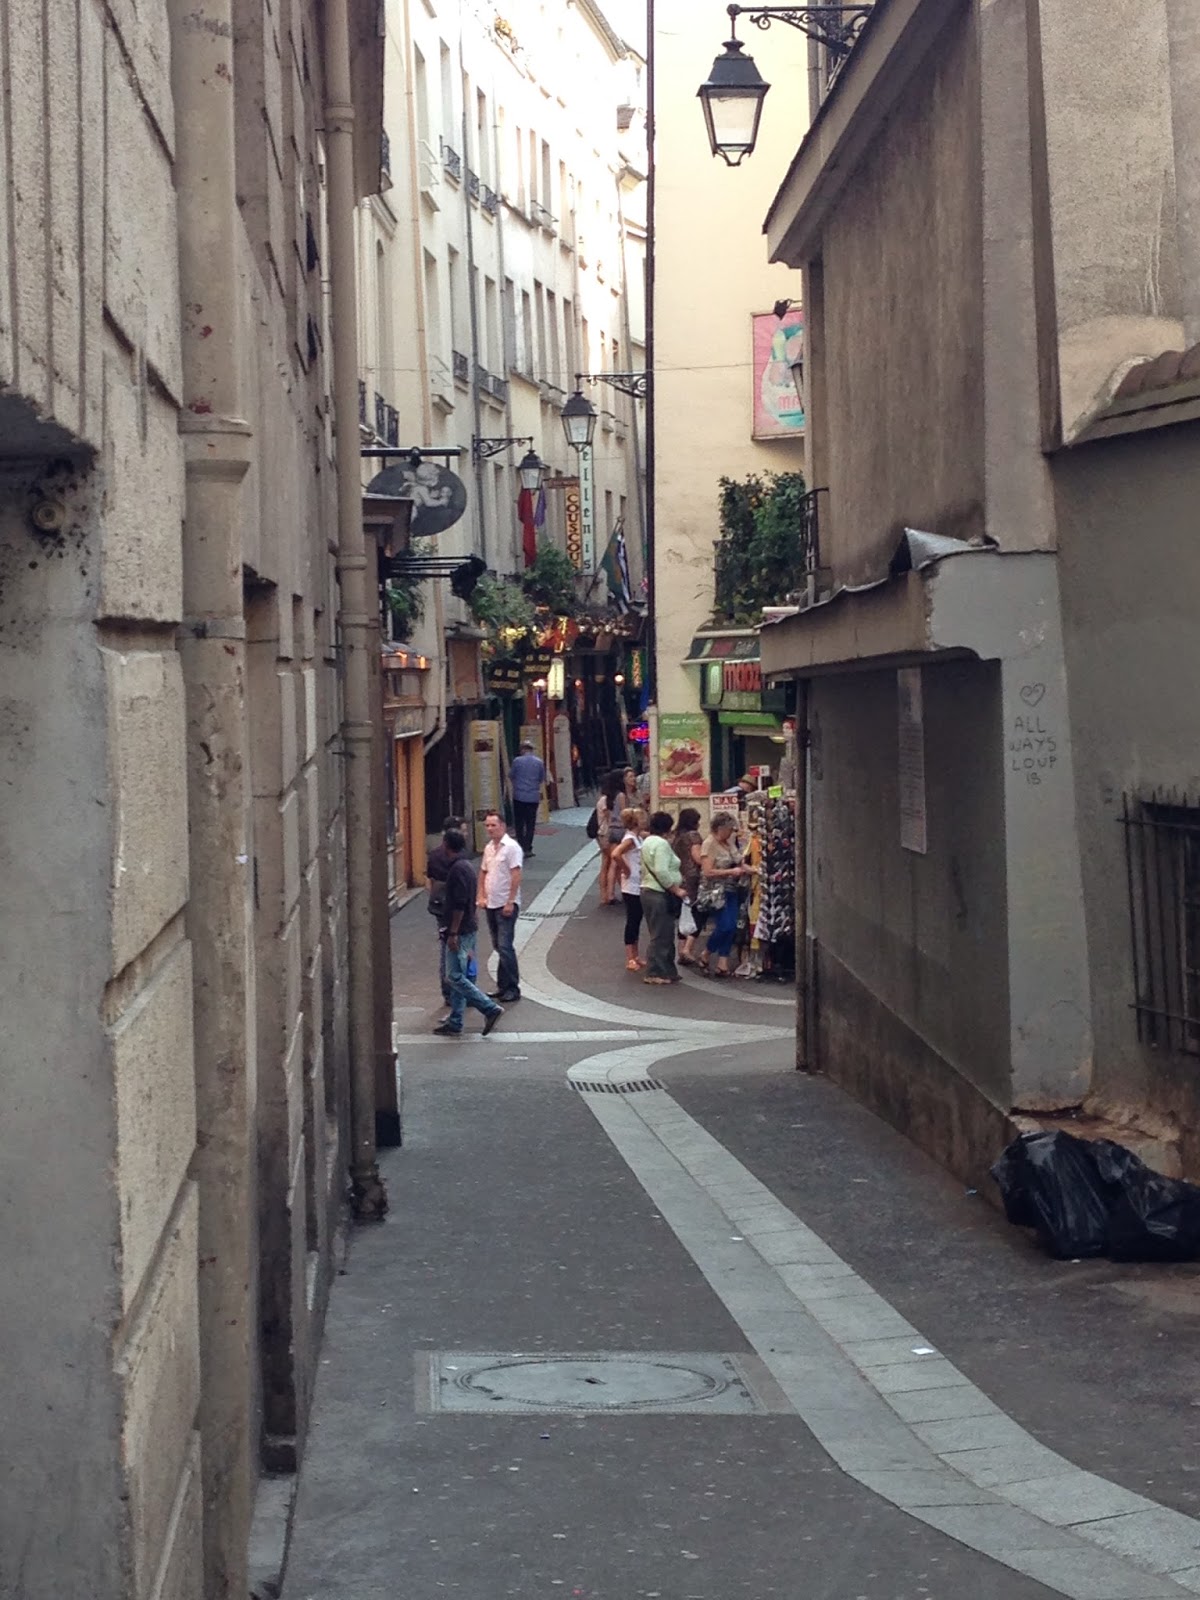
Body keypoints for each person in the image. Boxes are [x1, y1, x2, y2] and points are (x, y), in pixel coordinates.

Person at [433, 830, 504, 1037]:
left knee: (454, 976)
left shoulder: (457, 870)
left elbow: (459, 903)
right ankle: (456, 1021)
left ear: (446, 845)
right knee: (459, 974)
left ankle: (488, 1007)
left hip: (460, 930)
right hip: (467, 927)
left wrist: (453, 933)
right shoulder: (466, 866)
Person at [697, 810, 753, 978]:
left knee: (732, 926)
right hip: (716, 892)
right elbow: (707, 871)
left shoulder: (728, 844)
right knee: (725, 925)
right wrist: (730, 872)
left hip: (732, 889)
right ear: (720, 828)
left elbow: (738, 860)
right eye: (729, 829)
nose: (731, 833)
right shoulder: (709, 844)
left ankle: (723, 961)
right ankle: (707, 952)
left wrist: (750, 868)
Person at [478, 808, 523, 1002]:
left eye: (493, 825)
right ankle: (503, 986)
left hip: (505, 903)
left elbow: (516, 874)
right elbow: (483, 872)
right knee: (498, 945)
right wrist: (481, 895)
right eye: (487, 825)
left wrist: (510, 901)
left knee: (505, 946)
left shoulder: (512, 847)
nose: (490, 829)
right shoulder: (489, 847)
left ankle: (512, 987)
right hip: (491, 903)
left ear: (502, 826)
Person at [639, 810, 687, 984]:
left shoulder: (648, 841)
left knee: (661, 932)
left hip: (649, 890)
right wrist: (675, 889)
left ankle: (667, 970)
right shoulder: (661, 844)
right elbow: (661, 870)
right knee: (662, 933)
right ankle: (655, 972)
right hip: (659, 892)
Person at [426, 815, 465, 1010]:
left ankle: (447, 990)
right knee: (460, 947)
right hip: (456, 906)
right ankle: (461, 989)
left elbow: (430, 881)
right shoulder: (459, 858)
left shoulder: (434, 855)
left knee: (445, 945)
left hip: (439, 905)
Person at [612, 808, 646, 971]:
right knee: (632, 920)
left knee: (637, 919)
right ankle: (630, 957)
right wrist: (626, 869)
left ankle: (636, 955)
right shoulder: (630, 839)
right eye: (642, 818)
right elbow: (616, 854)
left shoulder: (638, 837)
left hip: (638, 883)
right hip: (631, 885)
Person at [671, 806, 705, 966]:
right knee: (698, 913)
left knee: (684, 915)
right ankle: (687, 949)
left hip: (680, 877)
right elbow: (697, 858)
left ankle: (681, 949)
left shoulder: (676, 837)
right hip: (693, 879)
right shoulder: (693, 836)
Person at [509, 739, 546, 858]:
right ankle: (528, 847)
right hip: (533, 797)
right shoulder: (539, 762)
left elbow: (511, 775)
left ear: (523, 749)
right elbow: (541, 778)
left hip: (519, 796)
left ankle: (520, 846)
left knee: (519, 823)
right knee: (530, 823)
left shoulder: (517, 761)